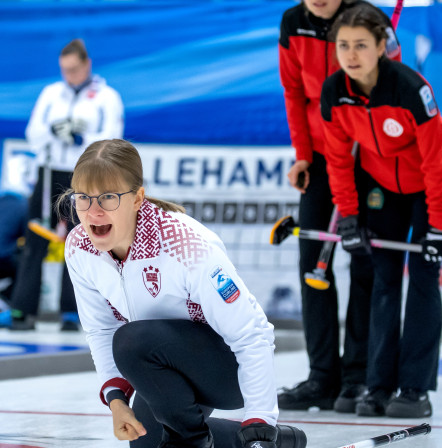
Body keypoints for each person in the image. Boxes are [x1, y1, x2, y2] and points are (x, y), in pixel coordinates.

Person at [62, 139, 307, 448]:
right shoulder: (79, 246)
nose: (93, 212)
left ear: (137, 199)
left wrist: (259, 417)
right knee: (147, 443)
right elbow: (100, 328)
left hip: (225, 370)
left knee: (131, 340)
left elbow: (252, 333)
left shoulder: (185, 244)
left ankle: (192, 439)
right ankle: (278, 442)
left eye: (108, 197)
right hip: (163, 364)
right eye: (82, 198)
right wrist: (116, 399)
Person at [320, 1, 442, 418]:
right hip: (384, 186)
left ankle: (415, 388)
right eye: (343, 45)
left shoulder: (410, 88)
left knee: (422, 275)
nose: (350, 55)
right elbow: (339, 160)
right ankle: (377, 386)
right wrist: (348, 215)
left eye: (361, 45)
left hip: (431, 184)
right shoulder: (334, 92)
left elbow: (436, 163)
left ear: (383, 45)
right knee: (383, 278)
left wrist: (436, 229)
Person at [277, 0, 399, 413]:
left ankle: (357, 378)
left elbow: (391, 85)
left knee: (363, 261)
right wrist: (303, 154)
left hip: (368, 158)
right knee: (315, 266)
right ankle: (321, 378)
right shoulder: (293, 23)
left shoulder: (369, 22)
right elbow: (294, 92)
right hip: (322, 160)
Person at [5, 38, 124, 331]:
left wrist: (82, 138)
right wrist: (53, 131)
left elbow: (113, 137)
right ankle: (22, 310)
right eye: (64, 70)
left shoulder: (107, 96)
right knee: (34, 240)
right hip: (48, 173)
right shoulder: (51, 93)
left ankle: (72, 313)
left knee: (80, 242)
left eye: (73, 69)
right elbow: (33, 134)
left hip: (82, 177)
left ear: (87, 65)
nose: (69, 75)